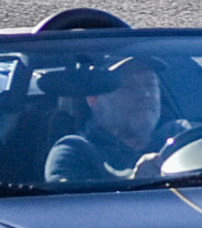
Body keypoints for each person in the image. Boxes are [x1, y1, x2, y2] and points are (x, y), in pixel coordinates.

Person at [45, 57, 188, 186]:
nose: (144, 94)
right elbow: (67, 210)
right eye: (127, 87)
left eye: (150, 85)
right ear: (93, 99)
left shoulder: (181, 136)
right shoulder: (75, 151)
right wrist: (136, 183)